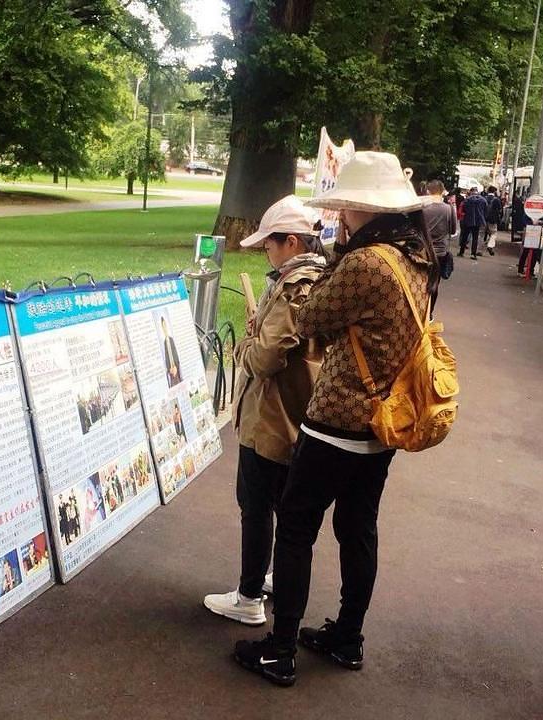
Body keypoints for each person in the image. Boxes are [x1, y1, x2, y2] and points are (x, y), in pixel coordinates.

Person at [233, 151, 439, 687]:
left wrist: (341, 257)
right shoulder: (418, 258)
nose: (340, 218)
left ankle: (279, 650)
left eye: (346, 208)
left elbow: (310, 317)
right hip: (383, 423)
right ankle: (348, 637)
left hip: (338, 421)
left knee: (297, 528)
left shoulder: (367, 263)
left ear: (362, 208)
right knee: (358, 528)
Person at [203, 194, 325, 626]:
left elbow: (267, 356)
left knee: (256, 506)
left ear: (291, 242)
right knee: (278, 506)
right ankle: (261, 583)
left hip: (273, 415)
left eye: (269, 245)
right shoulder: (319, 279)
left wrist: (244, 347)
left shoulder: (296, 286)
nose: (265, 253)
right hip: (295, 413)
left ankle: (249, 594)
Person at [422, 180, 458, 280]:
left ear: (428, 192)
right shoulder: (449, 209)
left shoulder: (421, 208)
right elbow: (453, 230)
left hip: (422, 249)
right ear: (442, 192)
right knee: (435, 279)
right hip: (441, 250)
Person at [458, 187, 488, 259]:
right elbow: (486, 211)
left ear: (471, 192)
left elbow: (464, 210)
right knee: (475, 237)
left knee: (465, 236)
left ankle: (461, 252)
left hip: (468, 220)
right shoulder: (483, 200)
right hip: (478, 221)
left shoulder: (467, 200)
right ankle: (473, 254)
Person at [159, 316, 182, 387]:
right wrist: (170, 369)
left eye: (165, 326)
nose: (164, 328)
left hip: (176, 368)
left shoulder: (171, 339)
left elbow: (175, 354)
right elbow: (166, 357)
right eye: (163, 327)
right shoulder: (164, 342)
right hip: (171, 370)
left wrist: (176, 366)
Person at [483, 185, 503, 256]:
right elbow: (499, 210)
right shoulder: (496, 199)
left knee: (483, 234)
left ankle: (479, 250)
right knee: (493, 233)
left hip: (484, 219)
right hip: (493, 219)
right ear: (494, 191)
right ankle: (490, 246)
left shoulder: (484, 198)